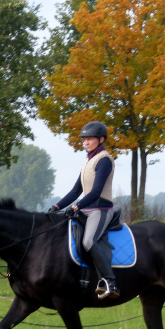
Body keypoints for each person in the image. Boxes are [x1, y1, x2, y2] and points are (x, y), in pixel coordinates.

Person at [48, 121, 119, 299]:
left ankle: (110, 282)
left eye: (89, 139)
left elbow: (95, 192)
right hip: (85, 209)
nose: (86, 142)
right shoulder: (87, 162)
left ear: (101, 139)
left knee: (88, 241)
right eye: (84, 140)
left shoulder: (104, 160)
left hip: (100, 210)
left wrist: (77, 206)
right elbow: (75, 191)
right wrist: (57, 206)